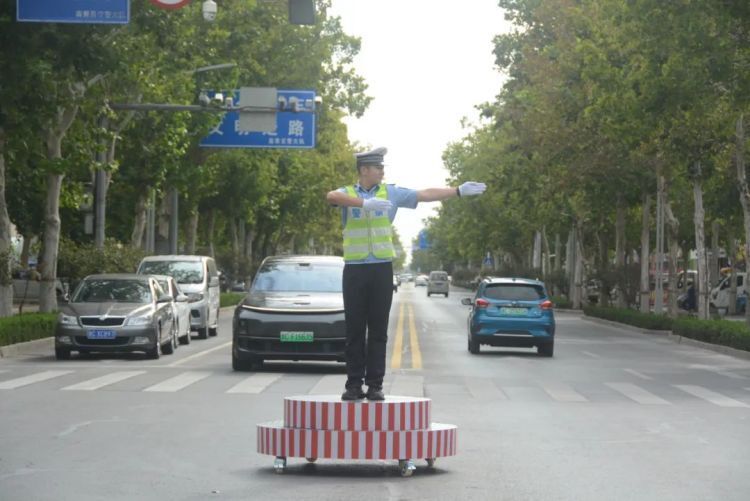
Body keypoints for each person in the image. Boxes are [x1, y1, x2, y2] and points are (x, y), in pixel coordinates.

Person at [326, 147, 487, 401]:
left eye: (382, 168)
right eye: (378, 168)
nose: (382, 171)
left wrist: (456, 191)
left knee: (378, 329)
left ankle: (375, 385)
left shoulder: (389, 192)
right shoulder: (348, 193)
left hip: (381, 269)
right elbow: (331, 196)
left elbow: (423, 194)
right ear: (364, 170)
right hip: (355, 270)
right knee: (355, 329)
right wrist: (363, 203)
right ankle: (354, 384)